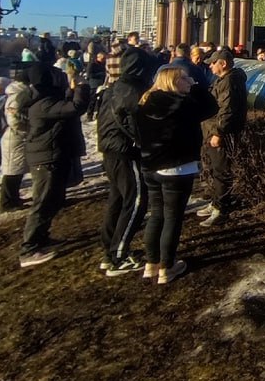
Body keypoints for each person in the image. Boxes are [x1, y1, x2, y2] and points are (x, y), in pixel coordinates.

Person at [135, 65, 218, 284]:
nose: (188, 80)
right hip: (177, 167)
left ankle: (151, 264)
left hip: (151, 166)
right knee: (172, 217)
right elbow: (211, 107)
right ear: (173, 82)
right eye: (184, 78)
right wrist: (196, 86)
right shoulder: (182, 104)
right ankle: (167, 266)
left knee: (157, 214)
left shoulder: (145, 102)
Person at [19, 62, 90, 267]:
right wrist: (82, 87)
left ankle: (41, 238)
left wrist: (72, 90)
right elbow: (74, 108)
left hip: (51, 155)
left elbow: (65, 105)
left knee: (53, 200)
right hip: (46, 159)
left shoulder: (44, 100)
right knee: (42, 202)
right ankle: (29, 248)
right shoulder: (43, 104)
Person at [96, 47, 154, 276]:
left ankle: (110, 248)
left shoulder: (115, 87)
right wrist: (144, 142)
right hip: (126, 151)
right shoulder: (132, 90)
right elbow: (133, 123)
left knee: (118, 199)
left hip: (111, 149)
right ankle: (118, 256)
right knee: (137, 200)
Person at [200, 48, 247, 227]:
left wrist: (219, 132)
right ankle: (216, 202)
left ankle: (221, 208)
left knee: (221, 171)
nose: (210, 66)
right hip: (212, 131)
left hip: (220, 133)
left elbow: (227, 110)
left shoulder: (229, 81)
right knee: (215, 169)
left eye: (213, 63)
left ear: (223, 63)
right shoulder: (223, 80)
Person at [0, 71, 31, 211]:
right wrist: (28, 126)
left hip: (16, 137)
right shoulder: (18, 95)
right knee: (13, 171)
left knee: (16, 169)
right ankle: (7, 203)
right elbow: (14, 119)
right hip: (16, 137)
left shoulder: (15, 93)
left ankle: (13, 198)